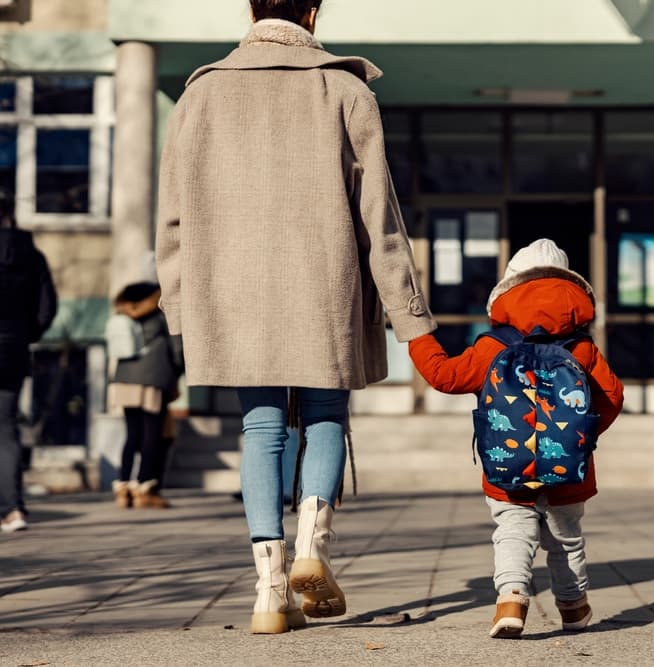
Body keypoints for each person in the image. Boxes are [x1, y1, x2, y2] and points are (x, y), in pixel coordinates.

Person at [154, 0, 436, 634]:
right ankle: (313, 547)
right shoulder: (343, 88)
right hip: (325, 282)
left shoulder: (200, 94)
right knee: (326, 415)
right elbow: (379, 218)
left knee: (261, 430)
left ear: (251, 10)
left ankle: (269, 590)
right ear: (313, 12)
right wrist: (409, 316)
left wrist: (178, 305)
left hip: (235, 292)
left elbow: (171, 216)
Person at [408, 238, 624, 638]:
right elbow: (612, 396)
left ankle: (510, 601)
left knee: (513, 530)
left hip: (507, 463)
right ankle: (574, 608)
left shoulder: (493, 346)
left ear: (507, 293)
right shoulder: (583, 349)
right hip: (569, 468)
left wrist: (416, 335)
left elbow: (444, 376)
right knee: (566, 539)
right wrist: (582, 438)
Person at [106, 251, 184, 509]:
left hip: (124, 378)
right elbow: (175, 345)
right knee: (152, 433)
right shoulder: (160, 303)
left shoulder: (125, 302)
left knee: (132, 434)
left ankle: (123, 487)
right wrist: (178, 371)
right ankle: (145, 488)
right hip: (153, 377)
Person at [0, 190, 57, 533]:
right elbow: (47, 306)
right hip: (13, 349)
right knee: (6, 430)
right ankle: (12, 511)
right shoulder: (32, 256)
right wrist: (27, 333)